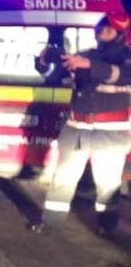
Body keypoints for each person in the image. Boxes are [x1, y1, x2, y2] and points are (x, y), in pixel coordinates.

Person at [30, 12, 131, 237]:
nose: (102, 33)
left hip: (111, 133)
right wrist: (43, 63)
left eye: (108, 30)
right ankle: (51, 224)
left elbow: (121, 75)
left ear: (120, 34)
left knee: (108, 183)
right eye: (100, 29)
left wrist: (89, 65)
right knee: (63, 178)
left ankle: (107, 226)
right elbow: (58, 77)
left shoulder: (126, 58)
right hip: (76, 128)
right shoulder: (84, 55)